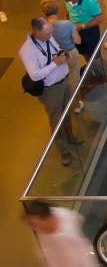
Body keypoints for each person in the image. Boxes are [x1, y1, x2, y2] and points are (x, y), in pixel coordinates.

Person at [19, 18, 82, 166]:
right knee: (56, 119)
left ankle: (70, 135)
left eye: (51, 32)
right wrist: (55, 64)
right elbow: (34, 75)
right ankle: (63, 150)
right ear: (36, 32)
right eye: (47, 33)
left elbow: (55, 50)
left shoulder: (49, 37)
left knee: (67, 111)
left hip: (64, 81)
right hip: (50, 90)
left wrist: (64, 55)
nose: (51, 35)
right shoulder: (27, 50)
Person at [59, 0, 103, 76]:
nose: (65, 1)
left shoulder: (90, 1)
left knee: (94, 53)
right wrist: (66, 23)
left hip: (90, 31)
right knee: (82, 50)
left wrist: (82, 26)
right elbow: (67, 11)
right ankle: (89, 64)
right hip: (75, 31)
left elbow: (99, 19)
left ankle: (99, 71)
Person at [40, 0, 81, 96]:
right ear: (57, 11)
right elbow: (78, 41)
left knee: (62, 78)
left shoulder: (42, 28)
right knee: (74, 76)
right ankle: (75, 101)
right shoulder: (67, 24)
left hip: (55, 57)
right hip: (70, 53)